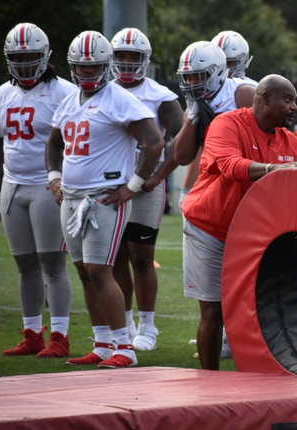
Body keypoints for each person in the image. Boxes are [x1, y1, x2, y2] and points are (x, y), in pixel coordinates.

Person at [45, 30, 165, 369]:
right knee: (83, 270)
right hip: (70, 197)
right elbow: (54, 144)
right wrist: (54, 177)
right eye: (81, 67)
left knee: (100, 269)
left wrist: (135, 185)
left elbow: (154, 141)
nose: (87, 72)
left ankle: (124, 347)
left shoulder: (119, 98)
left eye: (94, 66)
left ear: (105, 66)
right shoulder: (70, 100)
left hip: (104, 197)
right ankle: (102, 343)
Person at [178, 74, 297, 370]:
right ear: (265, 99)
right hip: (210, 226)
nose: (294, 108)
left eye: (295, 101)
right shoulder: (226, 124)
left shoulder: (290, 140)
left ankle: (253, 378)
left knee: (255, 310)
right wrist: (275, 170)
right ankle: (210, 381)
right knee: (213, 310)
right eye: (288, 100)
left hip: (253, 234)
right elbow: (229, 165)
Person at [172, 40, 257, 360]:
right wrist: (192, 117)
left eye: (198, 77)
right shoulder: (196, 103)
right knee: (212, 289)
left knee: (246, 279)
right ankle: (221, 340)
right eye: (188, 77)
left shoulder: (242, 94)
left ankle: (245, 341)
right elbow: (181, 155)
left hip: (245, 192)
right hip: (212, 195)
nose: (192, 83)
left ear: (219, 72)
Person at [0, 23, 76, 358]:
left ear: (45, 57)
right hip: (11, 184)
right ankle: (32, 333)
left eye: (31, 57)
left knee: (53, 265)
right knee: (25, 266)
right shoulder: (2, 93)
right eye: (19, 57)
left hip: (47, 184)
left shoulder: (65, 92)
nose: (26, 64)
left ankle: (59, 336)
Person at [109, 27, 184, 351]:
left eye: (133, 57)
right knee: (115, 259)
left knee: (142, 257)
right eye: (121, 56)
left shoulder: (160, 95)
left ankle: (148, 327)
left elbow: (182, 143)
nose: (126, 62)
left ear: (145, 60)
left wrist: (157, 176)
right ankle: (123, 326)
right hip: (110, 185)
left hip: (145, 188)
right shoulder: (102, 92)